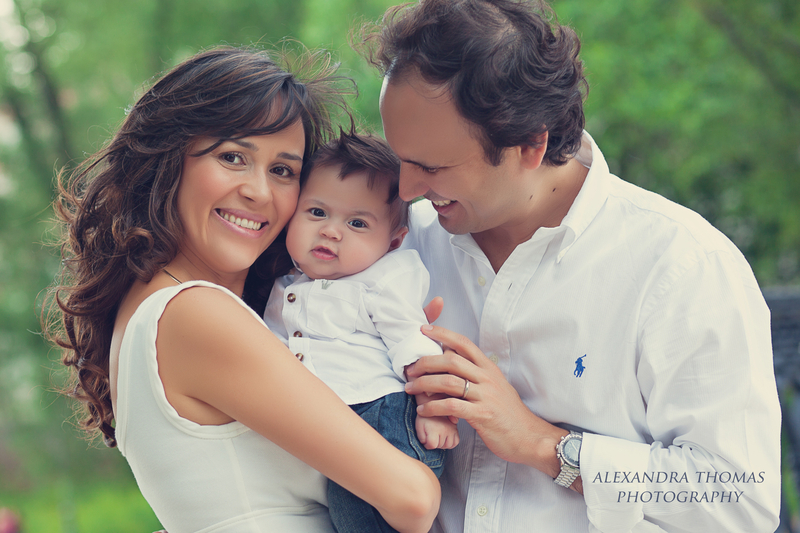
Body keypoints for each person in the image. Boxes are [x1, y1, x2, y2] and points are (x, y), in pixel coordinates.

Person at [359, 0, 782, 531]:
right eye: (400, 158)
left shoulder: (682, 265)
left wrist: (544, 444)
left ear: (530, 145)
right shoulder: (394, 245)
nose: (406, 189)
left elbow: (738, 500)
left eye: (432, 167)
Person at [43, 47, 440, 533]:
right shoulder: (194, 313)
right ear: (169, 160)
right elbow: (413, 498)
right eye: (232, 157)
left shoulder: (161, 306)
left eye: (283, 171)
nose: (259, 191)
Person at [263, 131, 458, 532]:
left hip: (381, 418)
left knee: (358, 514)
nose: (331, 231)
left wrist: (434, 409)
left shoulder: (383, 279)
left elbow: (411, 340)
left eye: (356, 223)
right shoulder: (285, 285)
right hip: (334, 428)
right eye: (317, 212)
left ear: (394, 241)